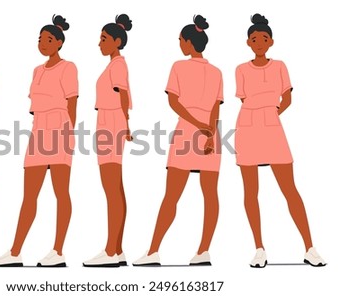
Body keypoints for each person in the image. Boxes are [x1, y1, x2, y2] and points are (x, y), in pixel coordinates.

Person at [235, 13, 326, 268]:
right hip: (248, 127)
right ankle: (259, 248)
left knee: (290, 189)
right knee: (251, 191)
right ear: (248, 43)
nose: (259, 43)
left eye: (264, 38)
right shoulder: (241, 69)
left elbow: (287, 98)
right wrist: (259, 113)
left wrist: (271, 114)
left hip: (272, 127)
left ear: (271, 42)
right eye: (254, 39)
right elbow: (243, 99)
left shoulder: (280, 66)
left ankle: (309, 247)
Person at [133, 15, 222, 266]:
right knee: (209, 195)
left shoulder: (178, 67)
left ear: (189, 43)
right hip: (210, 134)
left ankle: (153, 251)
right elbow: (216, 108)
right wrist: (210, 134)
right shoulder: (216, 72)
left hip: (187, 131)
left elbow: (174, 102)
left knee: (171, 195)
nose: (179, 44)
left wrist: (199, 127)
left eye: (181, 40)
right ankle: (203, 250)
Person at [0, 15, 78, 267]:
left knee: (61, 192)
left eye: (49, 39)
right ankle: (15, 252)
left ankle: (58, 251)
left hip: (60, 129)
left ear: (59, 42)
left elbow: (72, 103)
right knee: (29, 195)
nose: (43, 43)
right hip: (38, 131)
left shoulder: (68, 67)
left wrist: (69, 134)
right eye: (40, 39)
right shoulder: (37, 70)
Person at [83, 14, 133, 268]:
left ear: (116, 40)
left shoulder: (117, 66)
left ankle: (111, 250)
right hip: (110, 122)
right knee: (115, 190)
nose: (99, 43)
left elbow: (123, 95)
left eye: (104, 39)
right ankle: (118, 249)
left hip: (111, 124)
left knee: (112, 189)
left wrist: (125, 124)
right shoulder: (114, 65)